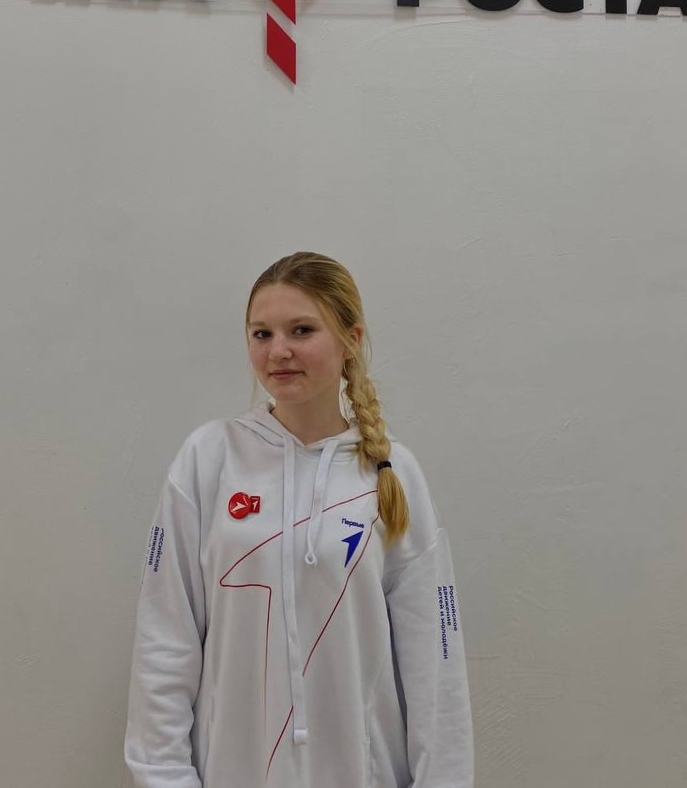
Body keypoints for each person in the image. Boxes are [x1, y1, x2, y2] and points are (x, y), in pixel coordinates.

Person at [124, 252, 474, 788]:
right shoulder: (208, 459)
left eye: (302, 330)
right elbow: (164, 641)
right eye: (261, 334)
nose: (278, 351)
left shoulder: (391, 472)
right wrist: (165, 778)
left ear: (350, 340)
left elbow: (435, 661)